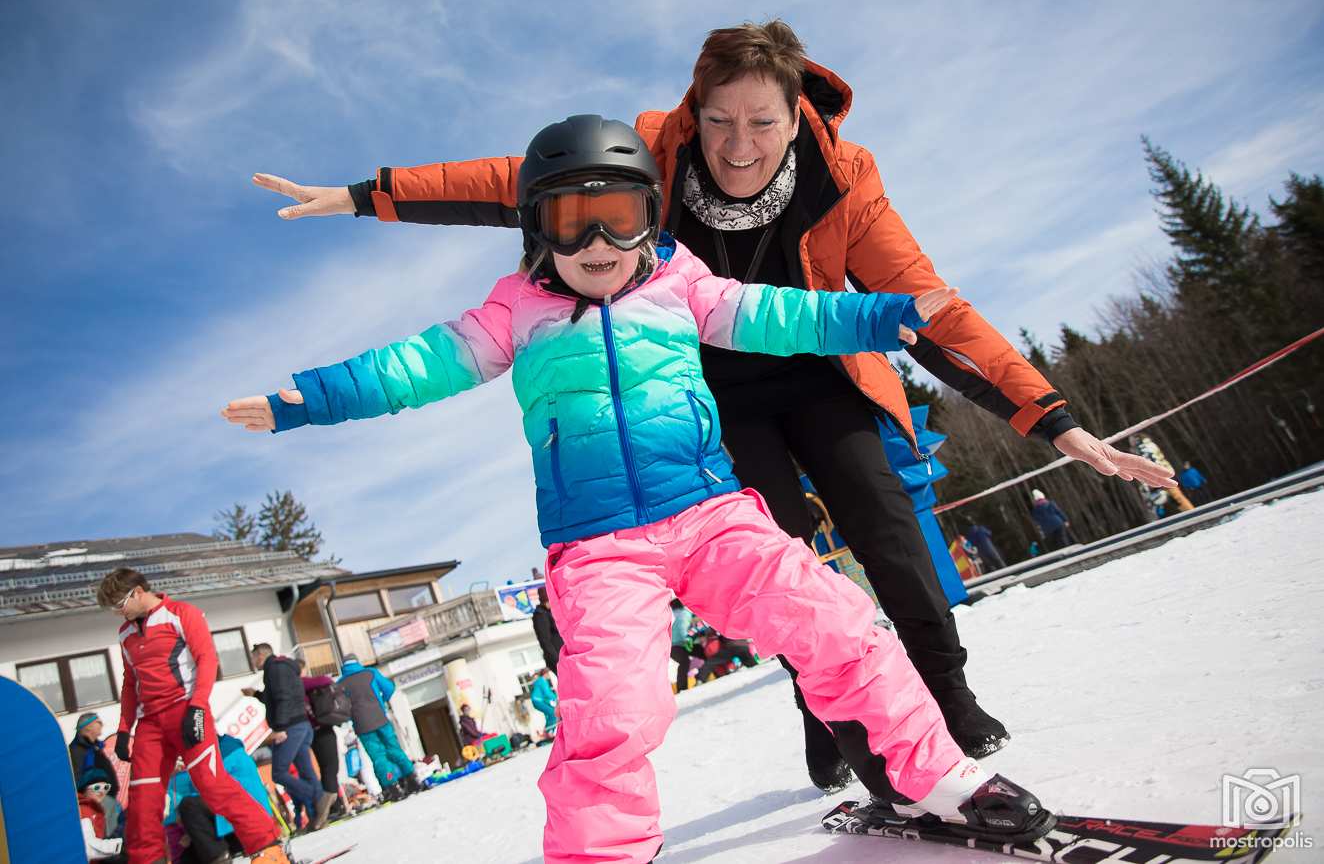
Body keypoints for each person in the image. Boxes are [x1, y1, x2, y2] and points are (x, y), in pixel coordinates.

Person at [252, 18, 1176, 791]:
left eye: (762, 122)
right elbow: (509, 181)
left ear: (794, 115)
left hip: (817, 368)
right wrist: (364, 196)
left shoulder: (842, 178)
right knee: (773, 553)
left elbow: (927, 309)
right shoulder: (651, 155)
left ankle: (949, 694)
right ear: (694, 115)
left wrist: (1055, 419)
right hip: (707, 398)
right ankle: (831, 714)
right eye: (720, 120)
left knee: (884, 520)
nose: (739, 144)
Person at [223, 116, 1055, 863]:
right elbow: (414, 365)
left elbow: (778, 313)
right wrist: (312, 399)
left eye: (616, 215)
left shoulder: (680, 282)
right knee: (614, 706)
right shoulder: (514, 309)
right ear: (534, 227)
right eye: (567, 218)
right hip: (597, 545)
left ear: (648, 217)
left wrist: (878, 317)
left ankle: (935, 776)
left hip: (707, 511)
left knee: (836, 617)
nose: (595, 239)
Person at [95, 567, 287, 864]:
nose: (117, 613)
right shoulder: (125, 634)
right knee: (143, 801)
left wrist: (197, 707)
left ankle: (267, 847)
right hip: (150, 724)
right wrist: (123, 729)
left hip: (185, 710)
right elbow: (130, 683)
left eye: (119, 604)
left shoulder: (181, 613)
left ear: (137, 592)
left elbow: (207, 658)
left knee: (212, 784)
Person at [243, 643, 335, 831]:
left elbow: (284, 697)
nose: (252, 662)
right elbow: (280, 696)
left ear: (261, 655)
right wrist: (257, 695)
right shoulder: (282, 668)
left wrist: (281, 728)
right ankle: (318, 816)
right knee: (306, 771)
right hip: (301, 723)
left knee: (278, 772)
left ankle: (320, 798)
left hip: (291, 726)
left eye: (253, 657)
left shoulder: (275, 669)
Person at [165, 735, 275, 864]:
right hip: (236, 828)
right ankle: (217, 857)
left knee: (189, 806)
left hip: (247, 829)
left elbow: (213, 791)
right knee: (189, 854)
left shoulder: (224, 755)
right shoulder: (225, 750)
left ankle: (220, 859)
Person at [333, 653, 420, 801]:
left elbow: (341, 708)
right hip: (380, 718)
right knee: (394, 749)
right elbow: (389, 688)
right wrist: (381, 702)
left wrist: (352, 716)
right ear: (357, 661)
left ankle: (393, 788)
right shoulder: (370, 673)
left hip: (362, 725)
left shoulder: (340, 683)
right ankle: (412, 780)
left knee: (378, 757)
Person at [297, 657, 344, 814]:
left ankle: (334, 805)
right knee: (331, 769)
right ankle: (333, 807)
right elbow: (325, 679)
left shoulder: (293, 688)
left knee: (326, 769)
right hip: (321, 729)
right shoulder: (301, 683)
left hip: (312, 732)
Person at [78, 768, 126, 863]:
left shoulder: (95, 810)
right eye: (97, 787)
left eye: (106, 787)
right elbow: (88, 848)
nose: (102, 791)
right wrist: (120, 846)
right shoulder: (83, 810)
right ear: (84, 788)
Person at [531, 584, 565, 674]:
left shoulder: (550, 612)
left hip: (563, 654)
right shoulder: (540, 615)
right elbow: (545, 640)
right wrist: (557, 660)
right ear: (545, 601)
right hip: (556, 657)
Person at [669, 599, 695, 693]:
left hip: (672, 647)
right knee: (685, 661)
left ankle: (682, 687)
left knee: (684, 662)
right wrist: (687, 639)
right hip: (684, 643)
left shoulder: (670, 615)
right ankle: (682, 687)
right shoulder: (685, 613)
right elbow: (683, 628)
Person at [529, 668, 558, 734]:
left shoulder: (542, 681)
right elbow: (547, 693)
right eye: (549, 673)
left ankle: (550, 731)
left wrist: (554, 699)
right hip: (537, 701)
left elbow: (546, 694)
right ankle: (548, 732)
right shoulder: (542, 680)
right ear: (546, 674)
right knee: (553, 713)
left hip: (539, 701)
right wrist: (556, 698)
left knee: (551, 713)